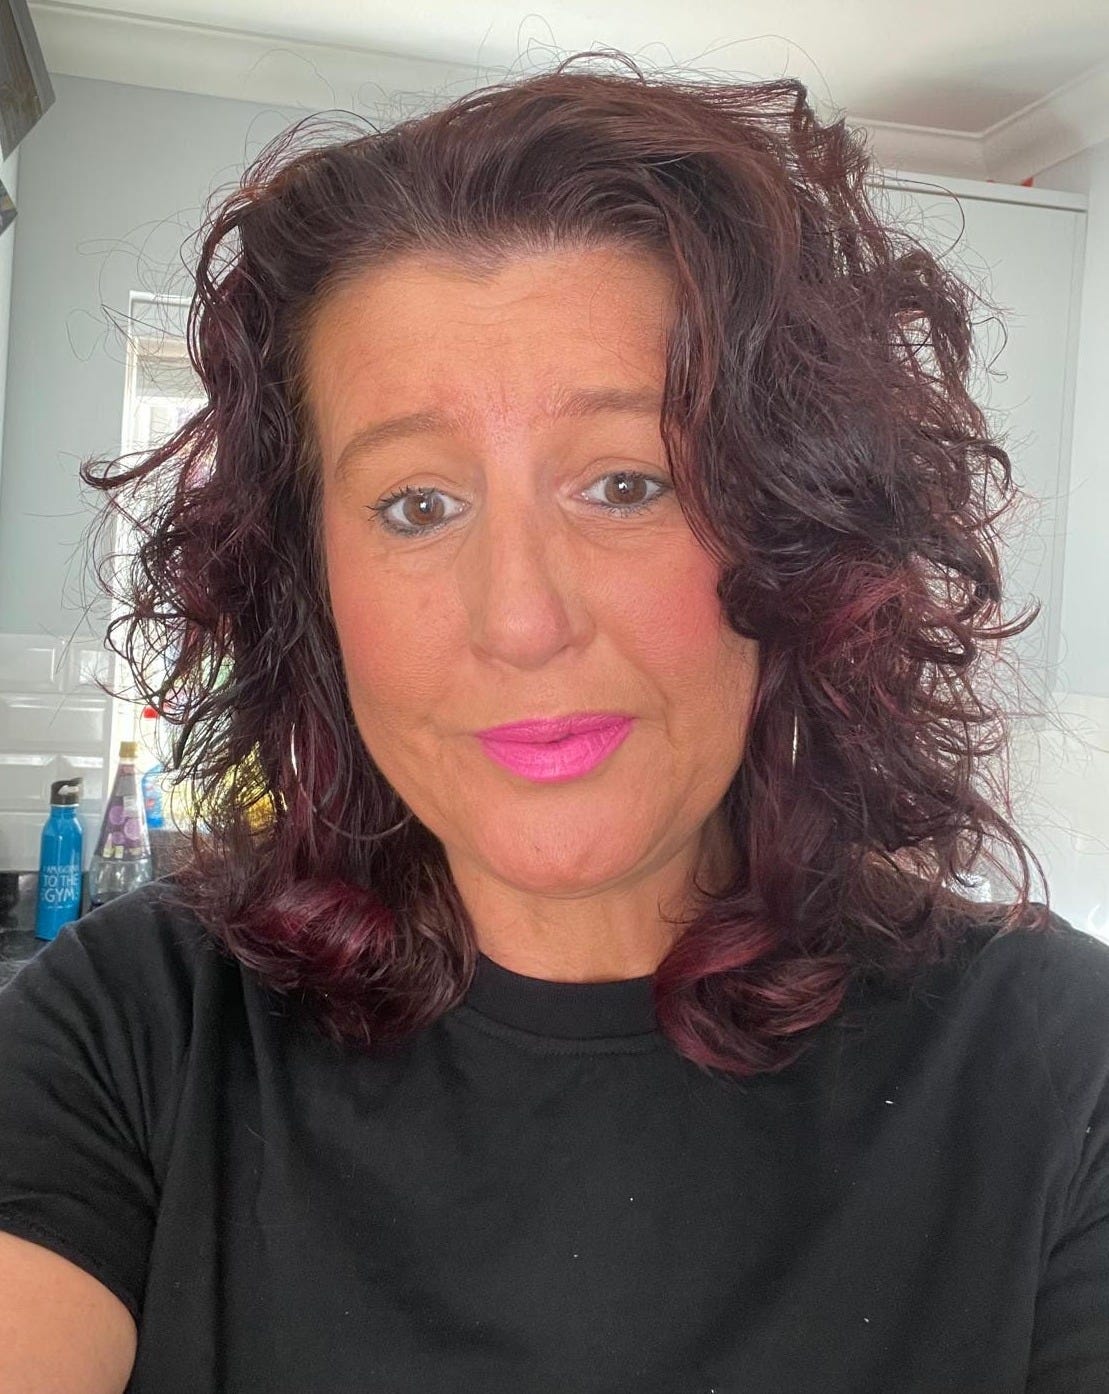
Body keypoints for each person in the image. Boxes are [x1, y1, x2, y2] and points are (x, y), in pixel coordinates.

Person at [0, 51, 1106, 1394]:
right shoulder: (133, 1029)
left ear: (791, 537)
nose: (520, 620)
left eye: (626, 483)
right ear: (315, 586)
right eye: (417, 505)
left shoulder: (1056, 1068)